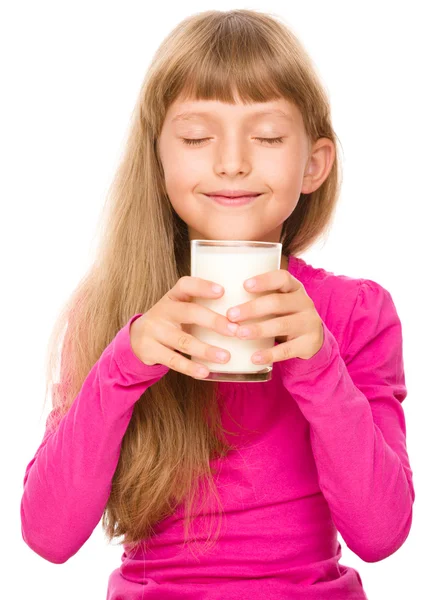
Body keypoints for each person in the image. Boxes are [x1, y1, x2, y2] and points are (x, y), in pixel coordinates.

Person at [20, 8, 414, 600]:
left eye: (269, 137)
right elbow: (49, 536)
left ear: (313, 164)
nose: (232, 161)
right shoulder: (112, 315)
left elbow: (381, 533)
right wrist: (126, 364)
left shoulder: (356, 313)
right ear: (158, 162)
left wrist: (317, 364)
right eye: (199, 138)